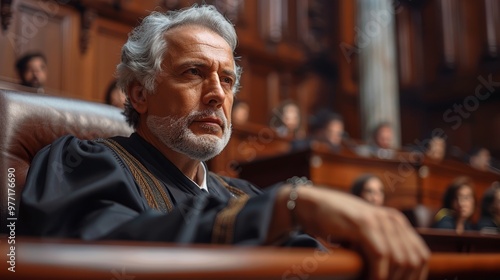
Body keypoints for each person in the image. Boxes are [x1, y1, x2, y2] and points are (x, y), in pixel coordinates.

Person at [18, 5, 429, 279]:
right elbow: (96, 257)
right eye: (194, 72)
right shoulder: (81, 160)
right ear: (140, 94)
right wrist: (289, 206)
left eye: (228, 80)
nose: (218, 93)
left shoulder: (242, 194)